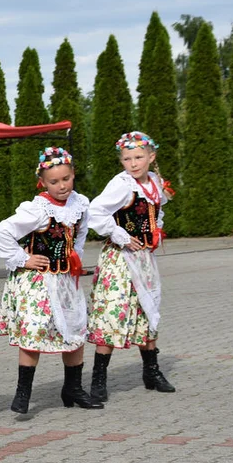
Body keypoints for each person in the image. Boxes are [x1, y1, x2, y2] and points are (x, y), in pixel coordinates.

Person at [0, 147, 103, 414]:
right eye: (54, 181)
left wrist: (75, 258)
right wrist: (23, 258)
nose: (62, 185)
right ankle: (23, 392)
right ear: (42, 182)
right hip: (38, 283)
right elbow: (2, 231)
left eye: (66, 178)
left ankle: (73, 388)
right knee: (35, 331)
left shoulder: (80, 203)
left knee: (75, 328)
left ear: (73, 175)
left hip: (65, 279)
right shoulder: (37, 210)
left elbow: (80, 234)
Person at [87, 131, 176, 399]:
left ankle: (151, 371)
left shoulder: (155, 183)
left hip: (144, 258)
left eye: (139, 157)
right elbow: (95, 212)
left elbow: (156, 212)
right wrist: (121, 236)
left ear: (151, 156)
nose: (134, 163)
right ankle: (98, 379)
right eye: (127, 158)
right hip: (119, 259)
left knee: (147, 309)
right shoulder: (122, 185)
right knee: (113, 313)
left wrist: (156, 230)